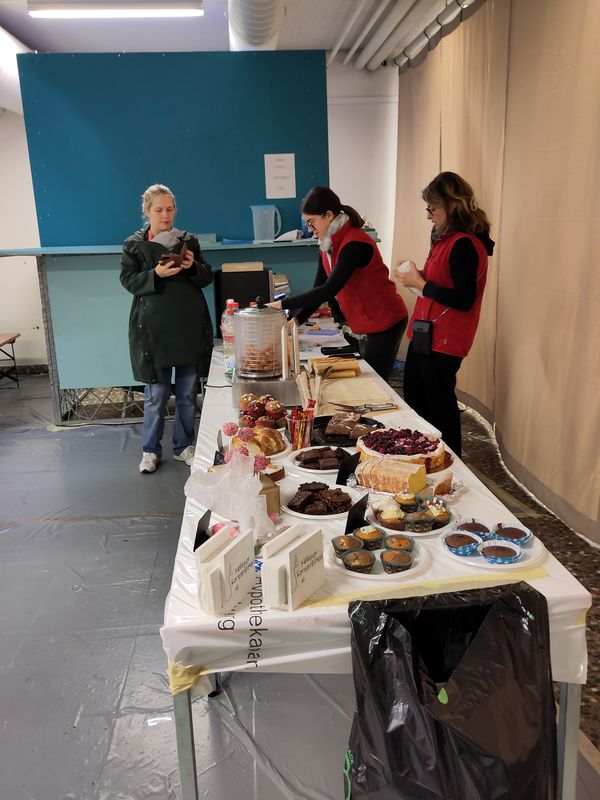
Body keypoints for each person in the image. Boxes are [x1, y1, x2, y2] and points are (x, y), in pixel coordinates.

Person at [395, 171, 494, 458]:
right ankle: (425, 456)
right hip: (426, 333)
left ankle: (450, 463)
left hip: (445, 340)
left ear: (452, 205)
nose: (428, 216)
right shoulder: (444, 239)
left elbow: (463, 299)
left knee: (438, 407)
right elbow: (441, 283)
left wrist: (421, 284)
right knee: (416, 397)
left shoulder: (465, 244)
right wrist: (416, 277)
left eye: (432, 208)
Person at [268, 186, 408, 380]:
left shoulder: (354, 243)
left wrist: (281, 304)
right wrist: (295, 322)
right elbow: (318, 289)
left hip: (385, 321)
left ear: (328, 215)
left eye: (311, 222)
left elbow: (328, 290)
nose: (309, 229)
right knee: (364, 380)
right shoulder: (327, 243)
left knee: (374, 383)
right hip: (366, 321)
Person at [120, 184, 213, 474]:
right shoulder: (133, 246)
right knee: (156, 396)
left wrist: (192, 266)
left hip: (188, 328)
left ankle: (184, 446)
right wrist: (156, 274)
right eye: (159, 209)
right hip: (153, 332)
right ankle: (150, 450)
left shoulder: (188, 241)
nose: (165, 215)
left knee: (187, 394)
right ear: (147, 212)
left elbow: (206, 277)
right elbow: (128, 280)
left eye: (169, 209)